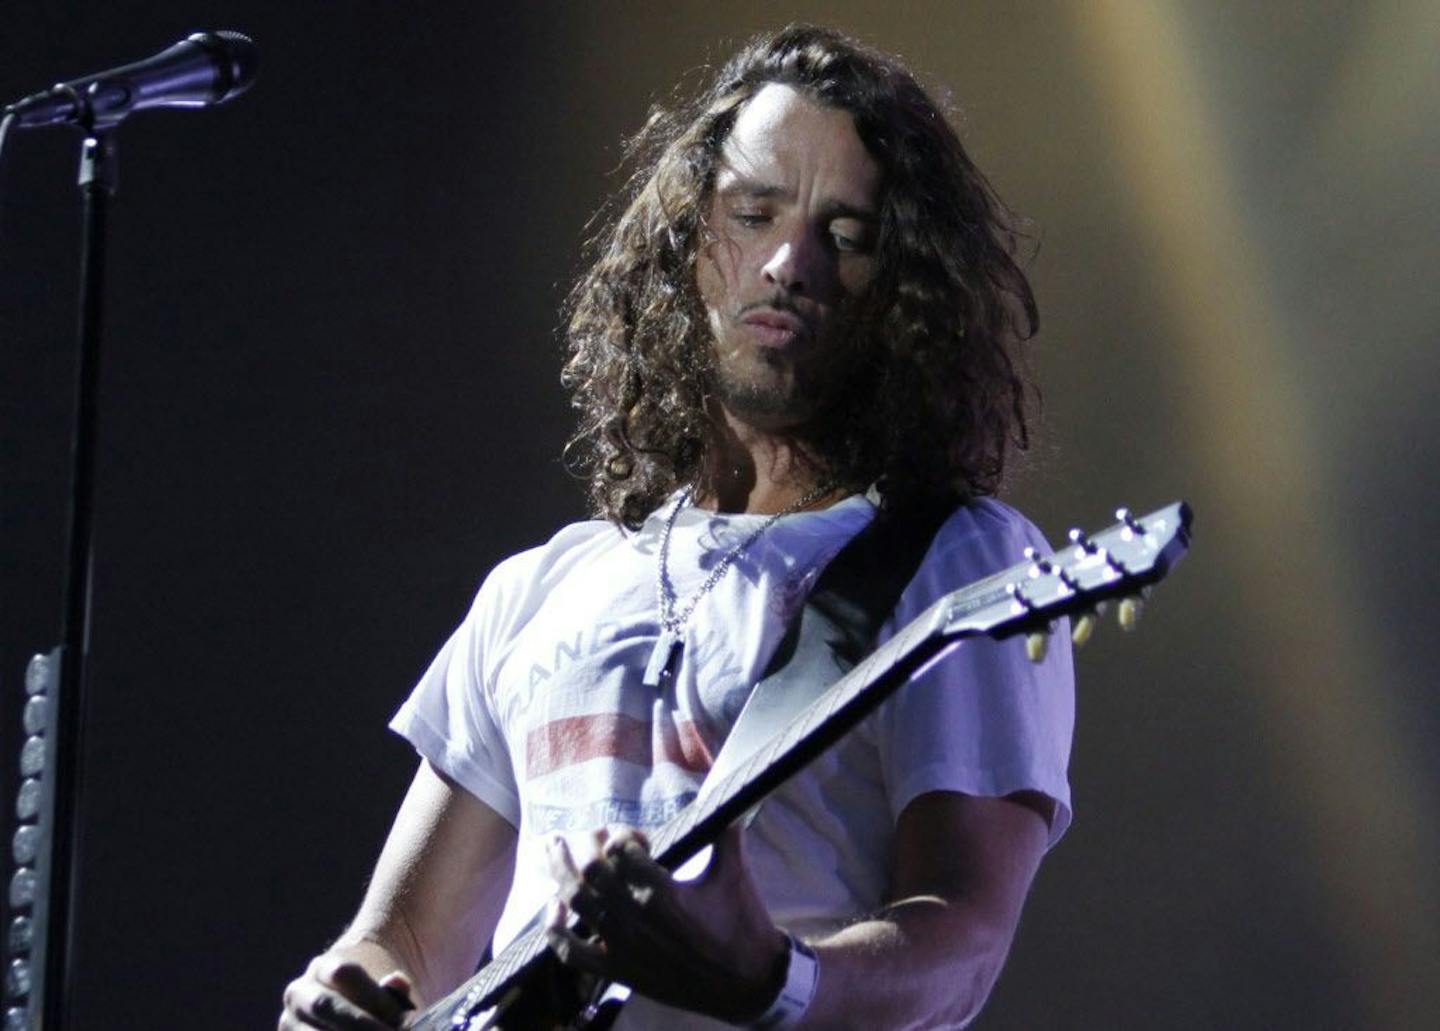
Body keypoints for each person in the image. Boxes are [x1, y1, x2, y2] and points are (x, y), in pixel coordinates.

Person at [280, 24, 1073, 1030]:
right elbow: (402, 939)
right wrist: (340, 989)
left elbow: (961, 942)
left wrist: (768, 975)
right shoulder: (540, 587)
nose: (790, 261)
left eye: (847, 235)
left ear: (904, 289)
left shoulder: (957, 562)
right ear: (693, 241)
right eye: (755, 210)